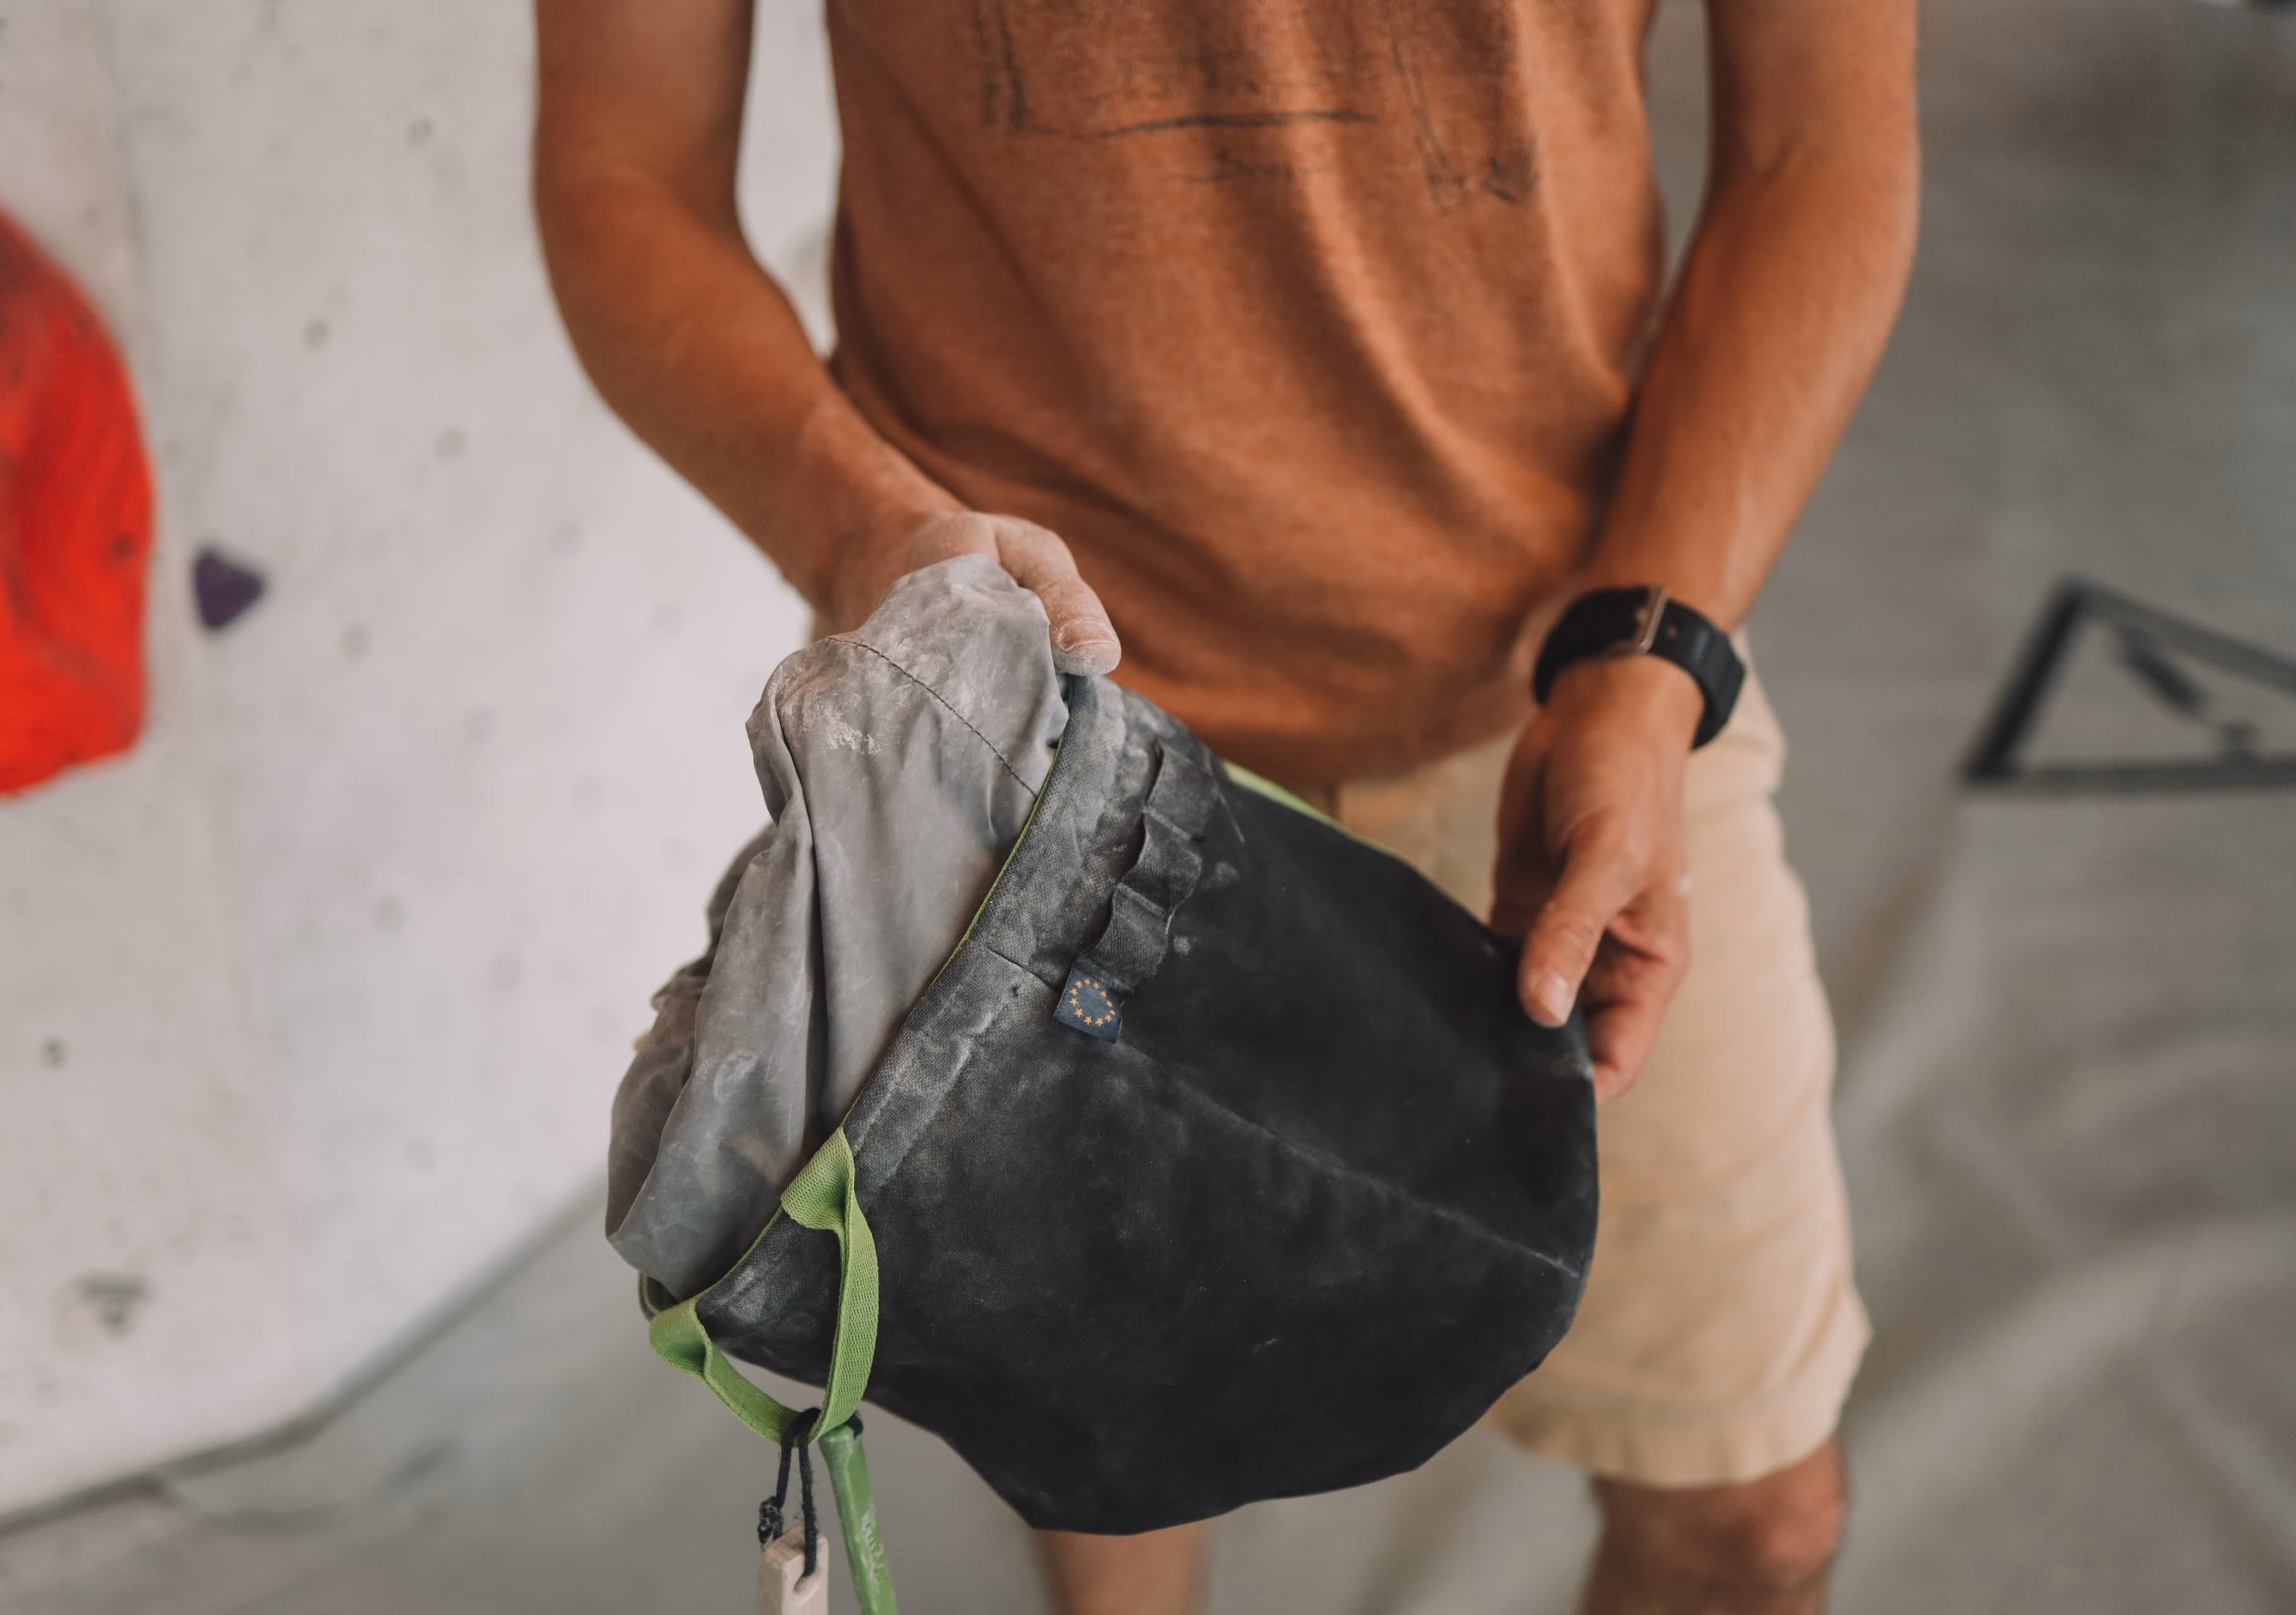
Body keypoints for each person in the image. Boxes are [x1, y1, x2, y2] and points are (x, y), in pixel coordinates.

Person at [532, 0, 1918, 1607]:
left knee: (1751, 1521)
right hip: (1032, 750)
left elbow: (1818, 145)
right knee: (1117, 1505)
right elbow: (623, 173)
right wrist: (864, 539)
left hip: (1570, 703)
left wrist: (1651, 655)